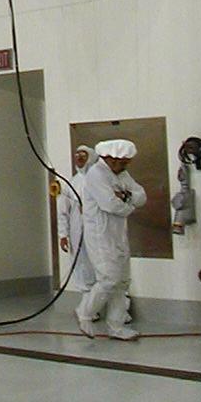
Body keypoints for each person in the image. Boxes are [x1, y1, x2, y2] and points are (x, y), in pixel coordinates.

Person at [77, 138, 146, 341]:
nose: (125, 166)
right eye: (122, 162)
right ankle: (85, 313)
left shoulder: (121, 174)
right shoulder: (96, 175)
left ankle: (116, 326)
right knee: (108, 279)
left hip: (118, 234)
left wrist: (125, 197)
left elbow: (141, 195)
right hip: (100, 236)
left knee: (122, 281)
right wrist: (128, 203)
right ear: (109, 158)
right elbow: (110, 204)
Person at [57, 145, 97, 296]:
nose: (79, 158)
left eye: (83, 155)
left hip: (98, 231)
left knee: (102, 266)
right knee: (81, 264)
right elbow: (63, 212)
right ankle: (88, 304)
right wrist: (63, 235)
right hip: (77, 233)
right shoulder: (72, 183)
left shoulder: (99, 181)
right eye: (77, 154)